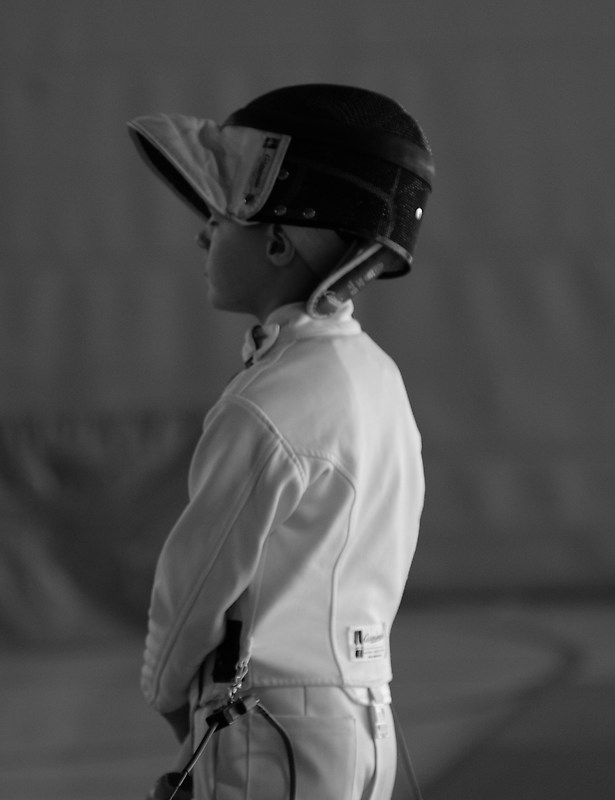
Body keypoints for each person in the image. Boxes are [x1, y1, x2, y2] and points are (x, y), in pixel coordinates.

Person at [127, 83, 434, 799]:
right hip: (364, 721)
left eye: (219, 217)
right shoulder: (375, 377)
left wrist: (170, 695)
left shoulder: (267, 405)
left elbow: (192, 589)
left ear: (276, 242)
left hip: (274, 739)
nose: (203, 235)